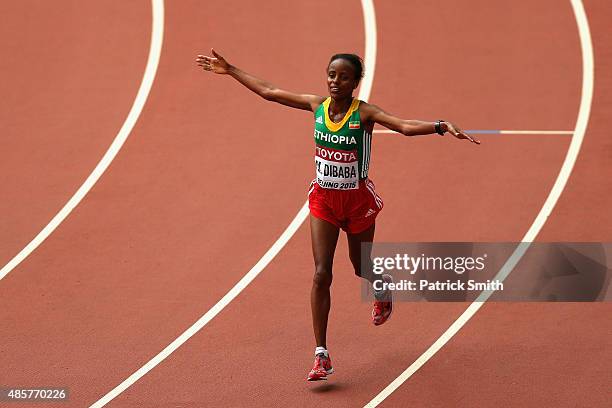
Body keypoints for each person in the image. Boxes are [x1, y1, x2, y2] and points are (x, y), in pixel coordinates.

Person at [196, 49, 479, 382]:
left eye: (344, 76)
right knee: (321, 273)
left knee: (362, 267)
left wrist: (441, 126)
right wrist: (230, 70)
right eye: (331, 74)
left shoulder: (366, 114)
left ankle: (381, 286)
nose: (335, 81)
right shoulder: (317, 106)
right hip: (324, 202)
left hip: (357, 204)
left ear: (356, 83)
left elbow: (403, 126)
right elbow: (269, 92)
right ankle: (321, 354)